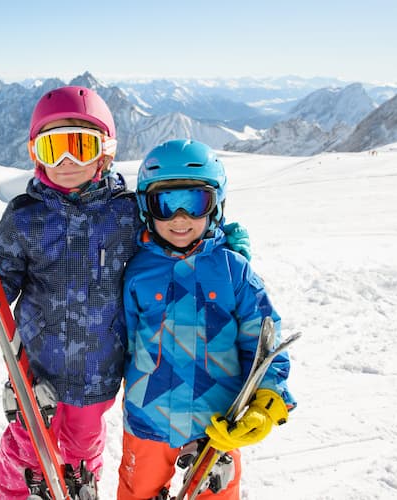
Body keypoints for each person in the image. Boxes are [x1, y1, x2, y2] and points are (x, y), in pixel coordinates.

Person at [0, 86, 251, 499]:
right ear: (36, 152)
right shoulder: (24, 217)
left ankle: (81, 488)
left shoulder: (127, 212)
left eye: (81, 145)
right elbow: (0, 279)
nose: (67, 161)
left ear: (105, 152)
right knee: (26, 452)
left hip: (100, 373)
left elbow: (173, 239)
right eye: (53, 147)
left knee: (82, 449)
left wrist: (217, 247)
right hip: (37, 369)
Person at [117, 139, 296, 500]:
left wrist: (266, 399)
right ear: (145, 208)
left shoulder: (234, 271)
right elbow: (124, 340)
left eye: (195, 202)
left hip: (217, 427)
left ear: (216, 206)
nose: (180, 218)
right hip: (147, 422)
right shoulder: (136, 271)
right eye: (165, 204)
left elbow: (264, 341)